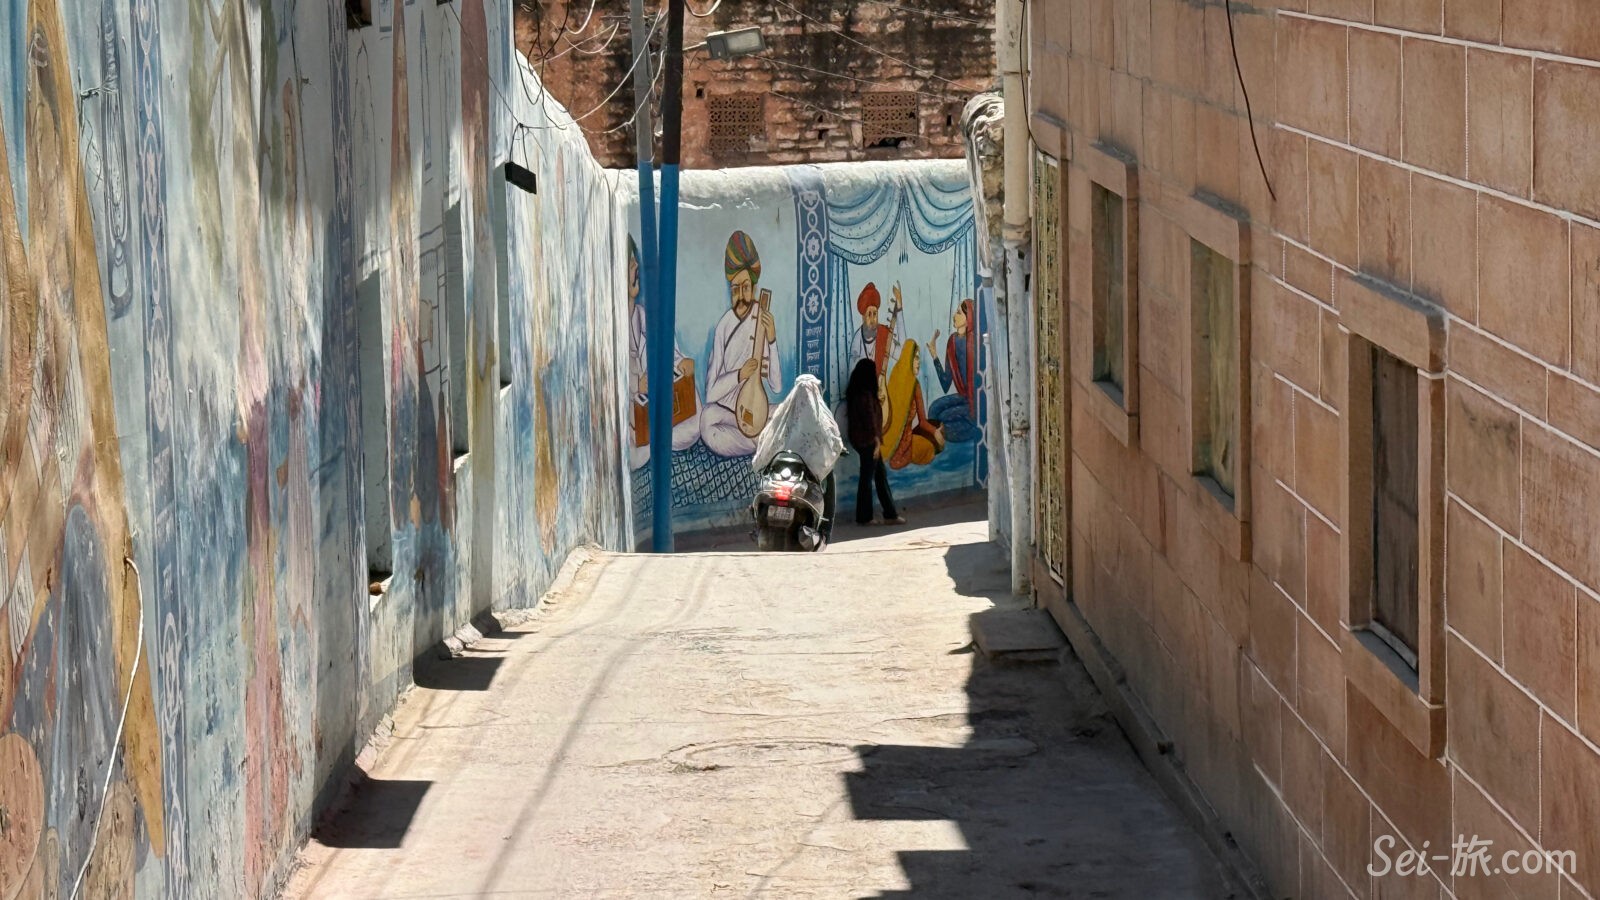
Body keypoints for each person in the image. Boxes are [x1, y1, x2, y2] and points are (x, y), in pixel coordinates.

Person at [702, 231, 781, 457]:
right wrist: (739, 375)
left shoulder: (763, 320)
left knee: (786, 411)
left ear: (754, 288)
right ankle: (761, 441)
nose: (741, 296)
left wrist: (772, 340)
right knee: (706, 422)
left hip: (758, 411)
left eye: (745, 287)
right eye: (735, 289)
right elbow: (710, 393)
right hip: (728, 414)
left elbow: (776, 386)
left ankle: (759, 438)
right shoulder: (724, 327)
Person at [627, 236, 700, 469]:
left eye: (634, 262)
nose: (636, 267)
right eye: (630, 263)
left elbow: (669, 354)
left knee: (693, 403)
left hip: (657, 405)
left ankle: (658, 437)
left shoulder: (644, 316)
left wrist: (681, 364)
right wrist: (637, 385)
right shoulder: (609, 328)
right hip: (631, 418)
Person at [846, 358, 904, 526]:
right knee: (870, 478)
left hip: (862, 441)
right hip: (869, 442)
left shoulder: (857, 394)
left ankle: (888, 514)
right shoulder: (866, 396)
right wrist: (877, 443)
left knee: (878, 476)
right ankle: (869, 516)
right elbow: (870, 421)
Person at [926, 299, 980, 444]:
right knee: (933, 410)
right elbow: (946, 383)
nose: (954, 316)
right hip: (963, 397)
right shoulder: (952, 342)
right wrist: (934, 355)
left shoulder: (975, 343)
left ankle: (971, 427)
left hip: (975, 401)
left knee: (944, 419)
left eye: (959, 313)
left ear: (969, 319)